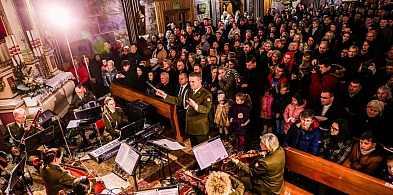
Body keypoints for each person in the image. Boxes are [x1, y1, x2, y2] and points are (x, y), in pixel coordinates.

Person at [155, 72, 212, 148]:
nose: (191, 84)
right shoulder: (188, 91)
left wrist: (195, 105)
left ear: (200, 81)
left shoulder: (206, 94)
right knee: (194, 147)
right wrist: (165, 96)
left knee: (203, 148)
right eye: (190, 82)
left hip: (200, 128)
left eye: (193, 82)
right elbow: (178, 100)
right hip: (190, 126)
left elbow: (206, 109)